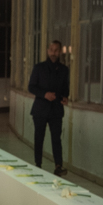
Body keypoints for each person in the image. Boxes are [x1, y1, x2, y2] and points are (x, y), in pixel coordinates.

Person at [28, 39, 70, 176]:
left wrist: (65, 97)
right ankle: (38, 164)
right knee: (39, 137)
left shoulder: (64, 70)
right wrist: (44, 94)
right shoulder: (39, 68)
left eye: (56, 50)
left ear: (60, 52)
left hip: (56, 110)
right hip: (40, 109)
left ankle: (58, 166)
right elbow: (31, 87)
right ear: (47, 51)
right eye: (51, 50)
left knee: (56, 139)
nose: (53, 53)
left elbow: (65, 89)